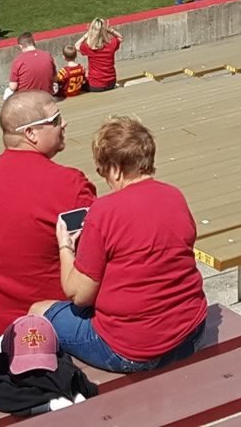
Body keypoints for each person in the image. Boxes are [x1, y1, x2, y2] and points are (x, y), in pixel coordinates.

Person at [28, 116, 210, 374]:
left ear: (114, 168)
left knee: (40, 311)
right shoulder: (174, 196)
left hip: (131, 350)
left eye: (102, 170)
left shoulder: (104, 212)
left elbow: (78, 295)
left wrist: (65, 246)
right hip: (191, 333)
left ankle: (43, 387)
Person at [0, 92, 97, 339]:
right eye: (56, 120)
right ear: (31, 134)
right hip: (46, 329)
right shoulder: (70, 185)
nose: (64, 123)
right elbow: (95, 260)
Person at [0, 33, 59, 109]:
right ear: (34, 43)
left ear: (21, 46)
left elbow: (13, 87)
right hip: (47, 95)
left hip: (27, 99)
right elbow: (54, 78)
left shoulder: (18, 60)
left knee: (7, 92)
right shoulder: (47, 55)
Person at [79, 17, 121, 93]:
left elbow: (76, 46)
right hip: (111, 83)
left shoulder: (89, 47)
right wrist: (111, 30)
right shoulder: (112, 44)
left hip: (95, 86)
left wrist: (86, 35)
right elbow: (120, 38)